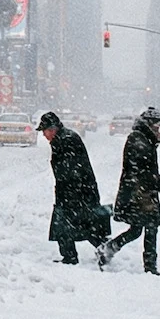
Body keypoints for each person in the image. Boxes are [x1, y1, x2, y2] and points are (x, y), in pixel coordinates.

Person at [99, 108, 160, 274]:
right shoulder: (139, 140)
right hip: (140, 194)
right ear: (149, 124)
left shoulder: (143, 138)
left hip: (142, 192)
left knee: (139, 229)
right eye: (157, 125)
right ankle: (150, 266)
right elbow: (143, 170)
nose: (159, 129)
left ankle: (109, 249)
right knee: (148, 228)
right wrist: (159, 182)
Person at [38, 111, 109, 265]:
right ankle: (101, 248)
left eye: (44, 131)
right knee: (82, 224)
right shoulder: (64, 138)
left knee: (67, 225)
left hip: (76, 191)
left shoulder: (65, 140)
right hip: (78, 190)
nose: (44, 135)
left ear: (52, 129)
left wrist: (69, 191)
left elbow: (71, 170)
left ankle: (74, 256)